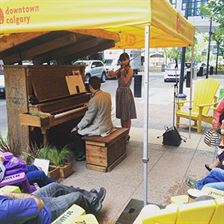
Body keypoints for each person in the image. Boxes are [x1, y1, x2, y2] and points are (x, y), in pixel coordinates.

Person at [0, 182, 106, 223]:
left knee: (54, 186)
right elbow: (38, 203)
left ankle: (90, 196)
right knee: (76, 197)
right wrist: (12, 195)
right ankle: (92, 206)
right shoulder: (4, 210)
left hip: (24, 206)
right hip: (43, 214)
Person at [71, 76, 113, 161]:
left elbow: (88, 119)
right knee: (81, 127)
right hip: (107, 124)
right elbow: (99, 105)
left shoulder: (94, 99)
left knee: (76, 133)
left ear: (90, 87)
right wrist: (90, 104)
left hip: (100, 128)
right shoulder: (107, 95)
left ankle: (81, 154)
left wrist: (77, 127)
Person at [108, 53, 137, 142]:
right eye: (121, 60)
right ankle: (122, 133)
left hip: (126, 92)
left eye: (125, 60)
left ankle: (127, 135)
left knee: (127, 116)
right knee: (121, 115)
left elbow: (125, 82)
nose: (123, 62)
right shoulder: (121, 69)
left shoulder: (130, 70)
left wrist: (123, 73)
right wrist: (111, 73)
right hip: (119, 93)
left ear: (128, 60)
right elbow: (111, 76)